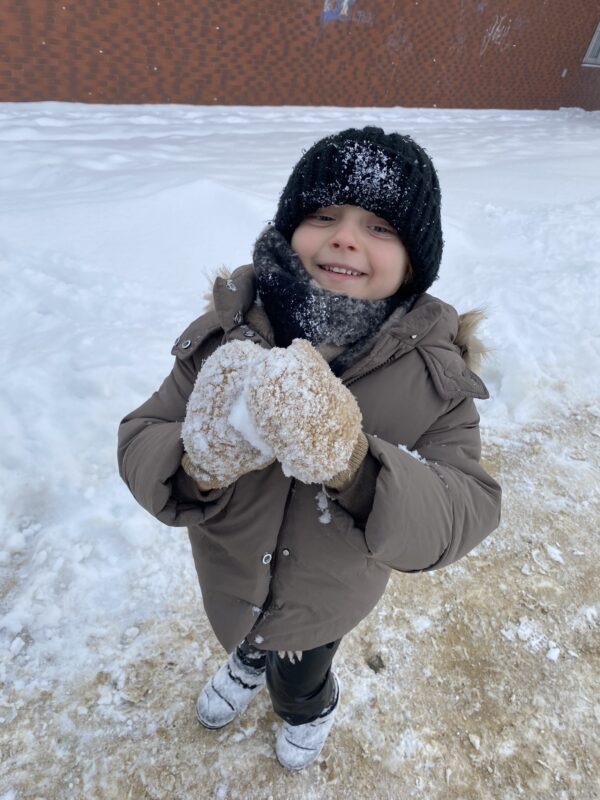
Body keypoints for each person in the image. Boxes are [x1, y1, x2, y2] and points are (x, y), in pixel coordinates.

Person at [117, 126, 502, 771]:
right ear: (289, 230)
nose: (345, 237)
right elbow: (141, 433)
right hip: (231, 578)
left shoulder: (434, 376)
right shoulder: (228, 334)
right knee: (247, 638)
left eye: (379, 227)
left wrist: (354, 465)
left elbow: (465, 507)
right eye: (324, 216)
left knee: (298, 675)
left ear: (414, 262)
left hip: (326, 599)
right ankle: (247, 661)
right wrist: (195, 462)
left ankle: (308, 709)